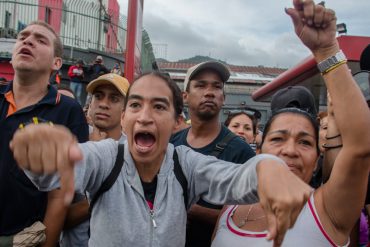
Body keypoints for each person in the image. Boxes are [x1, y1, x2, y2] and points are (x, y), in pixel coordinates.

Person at [11, 71, 313, 247]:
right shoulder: (106, 157)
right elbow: (60, 172)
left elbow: (238, 179)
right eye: (136, 105)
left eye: (158, 107)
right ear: (126, 117)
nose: (145, 116)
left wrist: (269, 168)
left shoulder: (186, 164)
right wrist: (40, 155)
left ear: (176, 121)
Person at [211, 1, 370, 246]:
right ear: (259, 149)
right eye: (278, 138)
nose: (290, 150)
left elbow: (361, 147)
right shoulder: (232, 207)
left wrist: (327, 51)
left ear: (318, 155)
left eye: (305, 142)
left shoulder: (328, 209)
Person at [0, 20, 88, 247]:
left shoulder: (69, 110)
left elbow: (61, 192)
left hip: (25, 238)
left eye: (40, 40)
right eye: (23, 37)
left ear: (56, 63)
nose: (28, 41)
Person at [170, 61, 256, 247]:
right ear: (185, 96)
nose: (209, 92)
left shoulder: (241, 152)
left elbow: (250, 219)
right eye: (200, 85)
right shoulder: (170, 145)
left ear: (223, 98)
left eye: (216, 87)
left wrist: (187, 208)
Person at [60, 73, 129, 247]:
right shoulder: (73, 143)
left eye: (114, 99)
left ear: (126, 109)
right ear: (90, 104)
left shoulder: (133, 153)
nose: (104, 104)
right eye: (98, 96)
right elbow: (57, 215)